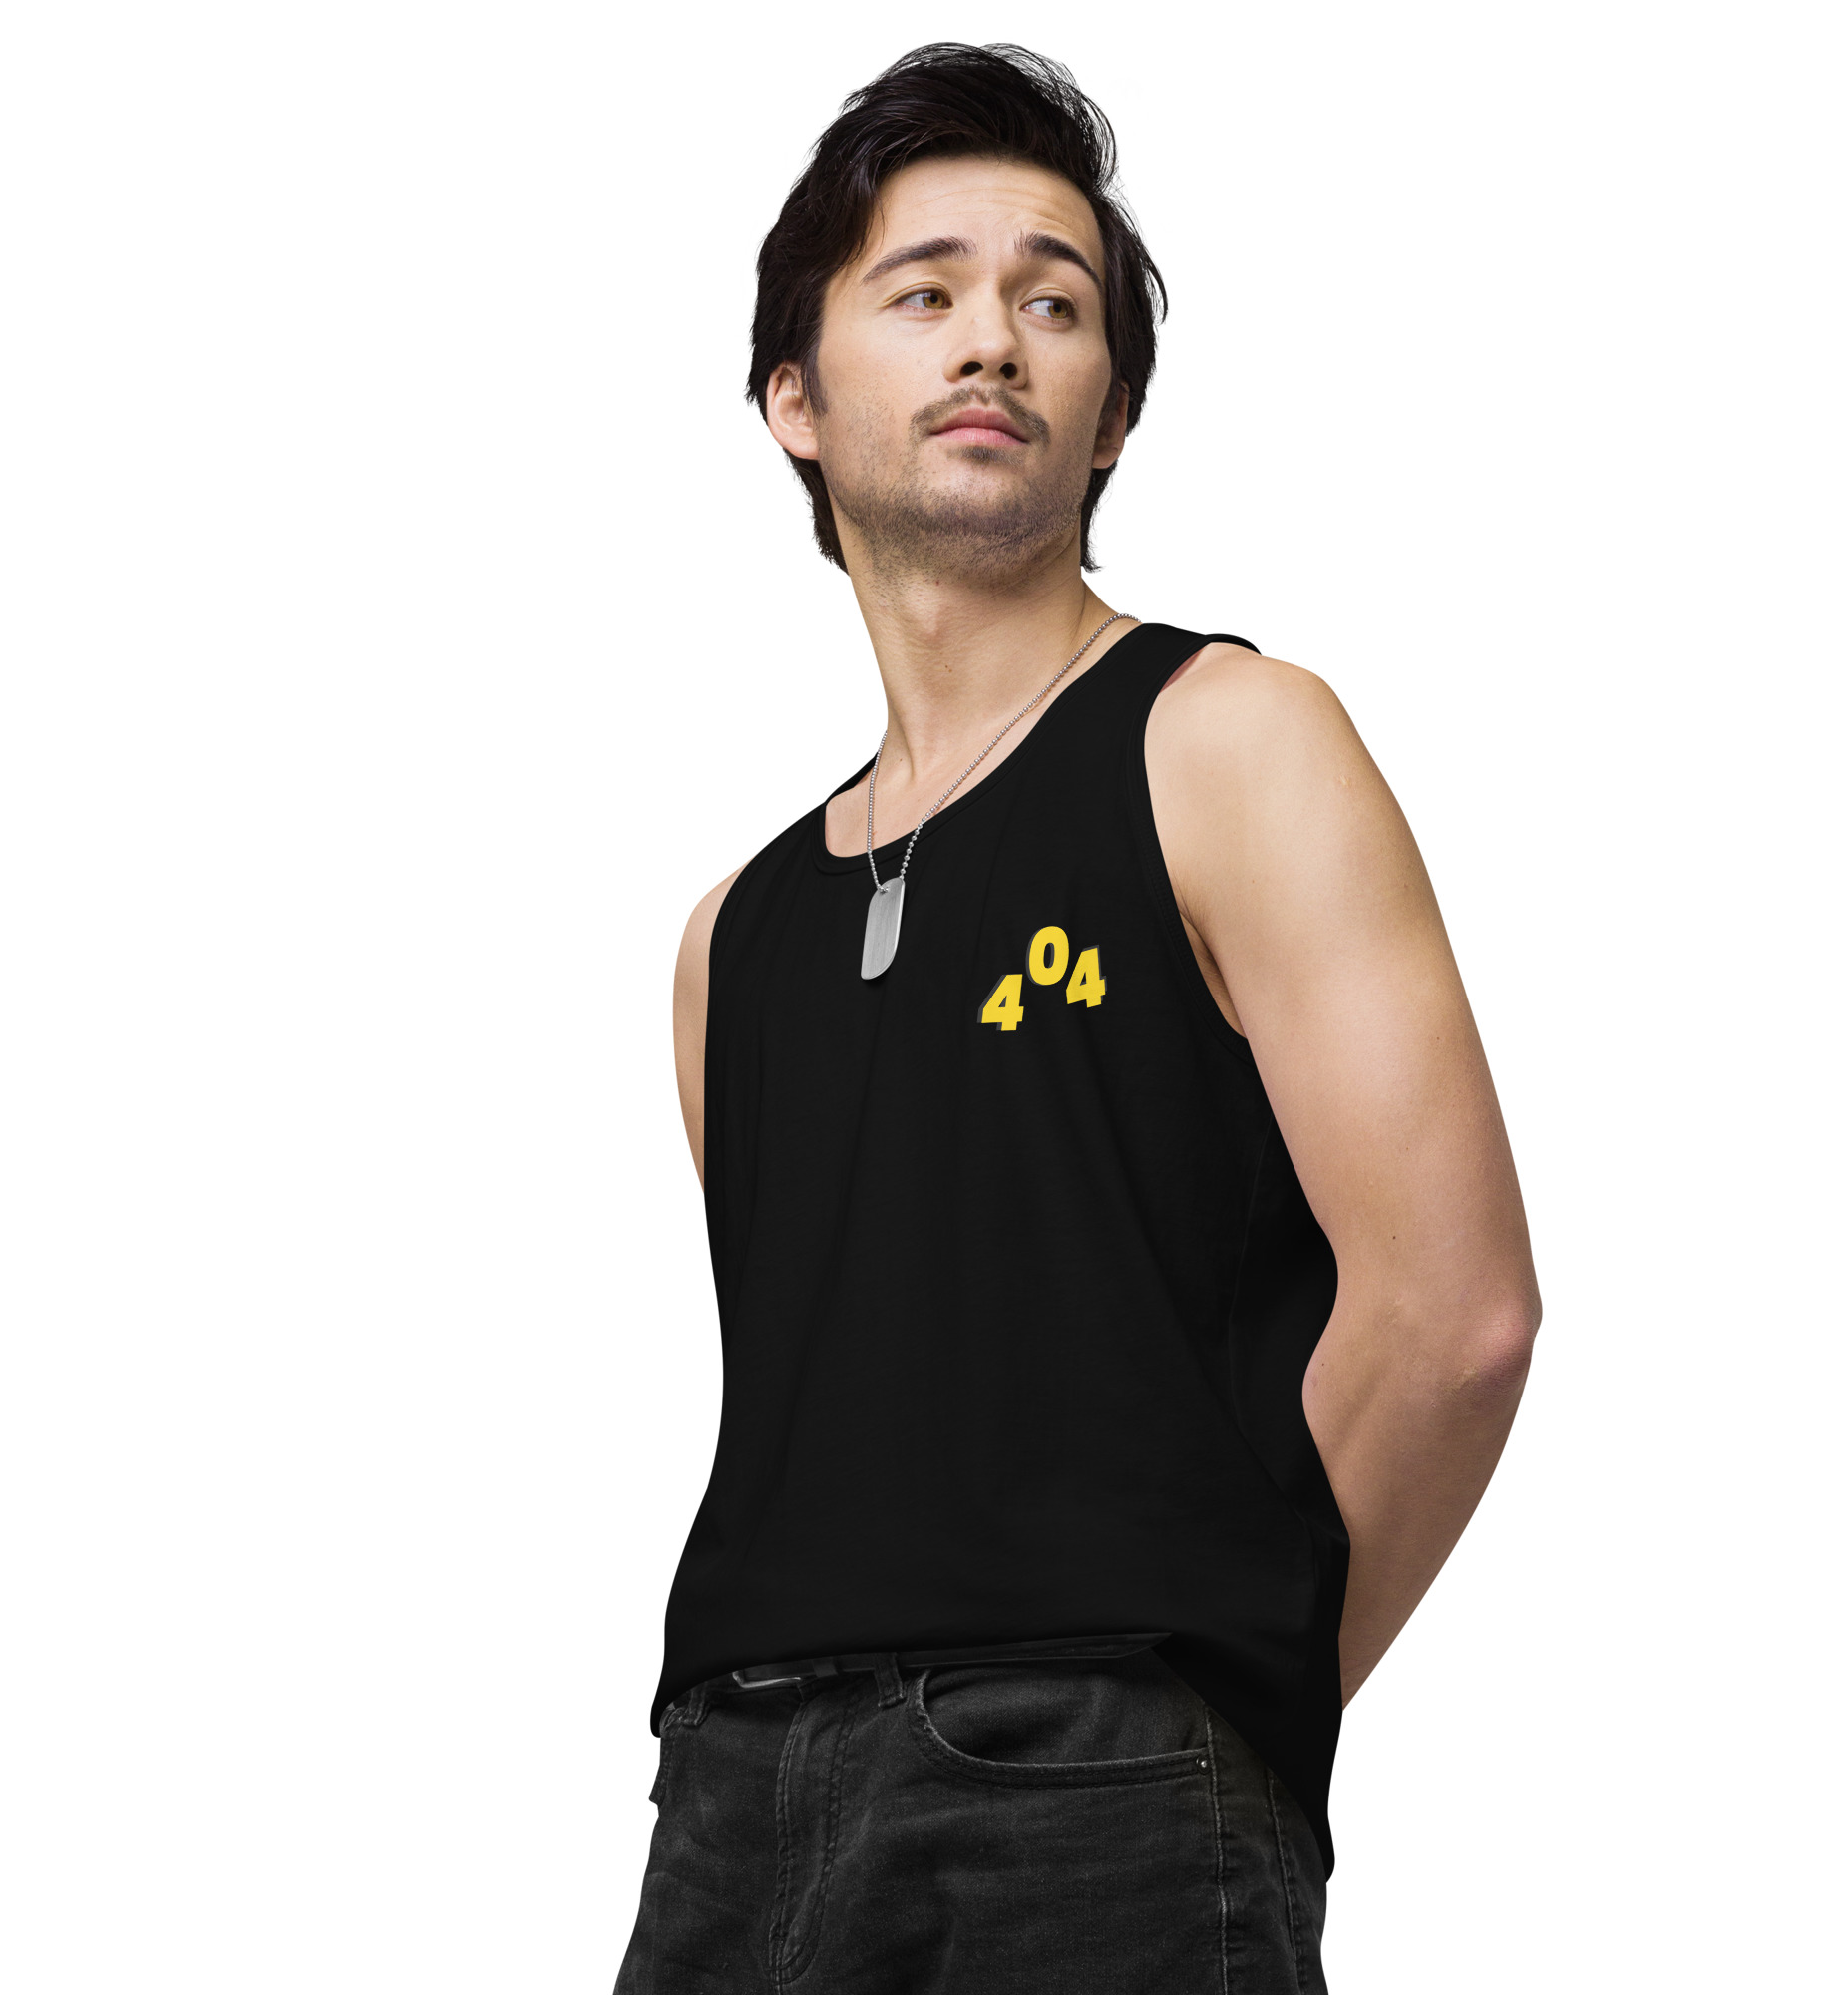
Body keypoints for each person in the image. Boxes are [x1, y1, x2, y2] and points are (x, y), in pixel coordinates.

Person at [613, 42, 1540, 1994]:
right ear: (794, 397)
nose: (994, 340)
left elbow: (1455, 1316)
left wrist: (1221, 1686)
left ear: (1110, 412)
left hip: (1098, 1776)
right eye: (923, 291)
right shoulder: (730, 944)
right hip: (730, 1807)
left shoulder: (1228, 741)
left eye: (1054, 304)